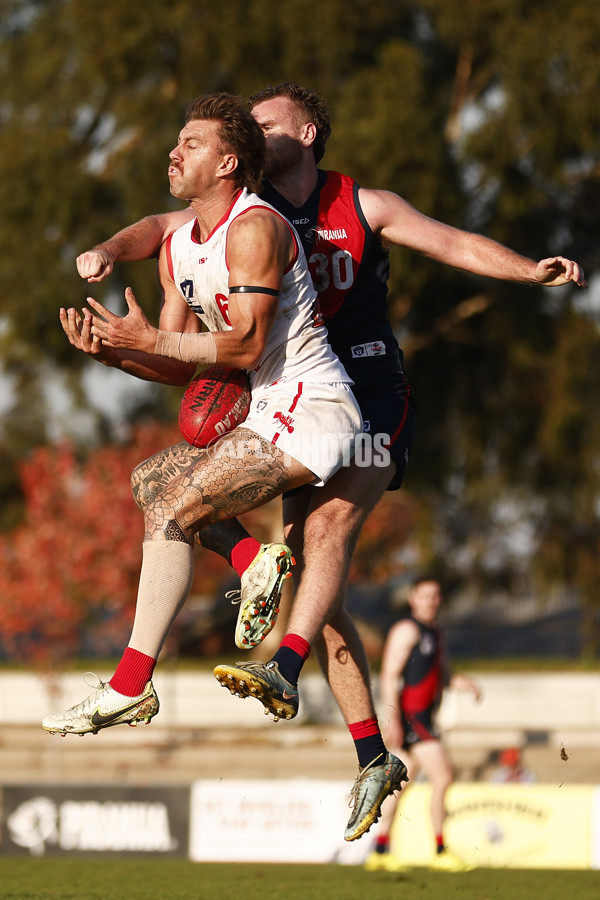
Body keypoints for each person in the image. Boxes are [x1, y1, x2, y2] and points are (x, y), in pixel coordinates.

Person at [73, 82, 585, 842]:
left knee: (322, 541)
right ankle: (374, 755)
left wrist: (526, 270)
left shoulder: (362, 204)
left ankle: (280, 663)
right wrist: (122, 326)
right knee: (290, 567)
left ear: (308, 132)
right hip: (287, 398)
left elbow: (453, 241)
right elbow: (166, 243)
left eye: (269, 121)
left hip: (369, 396)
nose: (255, 128)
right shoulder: (241, 214)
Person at [42, 91, 385, 823]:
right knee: (151, 479)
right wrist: (116, 355)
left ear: (229, 162)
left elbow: (248, 346)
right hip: (270, 410)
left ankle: (132, 682)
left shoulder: (255, 228)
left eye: (190, 143)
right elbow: (179, 365)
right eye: (175, 141)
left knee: (176, 506)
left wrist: (151, 343)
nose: (174, 152)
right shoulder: (178, 247)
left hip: (315, 409)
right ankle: (249, 565)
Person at [364, 577, 481, 873]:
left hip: (424, 718)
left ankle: (379, 850)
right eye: (424, 596)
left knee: (398, 785)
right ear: (413, 599)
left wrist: (462, 683)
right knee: (443, 776)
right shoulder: (407, 630)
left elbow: (441, 674)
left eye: (435, 596)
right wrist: (393, 720)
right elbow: (390, 675)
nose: (430, 601)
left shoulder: (435, 633)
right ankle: (440, 851)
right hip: (413, 719)